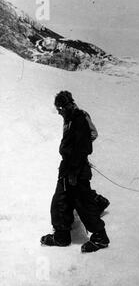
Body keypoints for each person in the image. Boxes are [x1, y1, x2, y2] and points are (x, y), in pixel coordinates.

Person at [41, 91, 110, 253]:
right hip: (68, 167)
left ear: (66, 106)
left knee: (83, 203)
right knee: (60, 201)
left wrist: (75, 167)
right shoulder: (69, 119)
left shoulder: (79, 118)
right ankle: (61, 236)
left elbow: (84, 144)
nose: (58, 112)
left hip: (76, 169)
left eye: (59, 108)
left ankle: (100, 237)